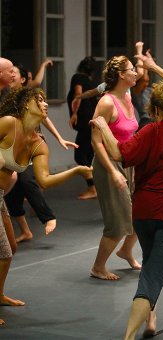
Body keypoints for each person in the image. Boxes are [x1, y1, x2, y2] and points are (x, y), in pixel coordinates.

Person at [90, 49, 163, 340]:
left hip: (146, 212)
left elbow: (116, 152)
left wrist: (102, 126)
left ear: (155, 108)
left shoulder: (149, 132)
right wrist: (156, 67)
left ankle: (151, 320)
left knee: (151, 265)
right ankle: (129, 336)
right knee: (152, 275)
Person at [0, 86, 92, 324]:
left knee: (10, 247)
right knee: (4, 252)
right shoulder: (9, 123)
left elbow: (45, 181)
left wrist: (78, 170)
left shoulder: (38, 143)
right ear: (25, 104)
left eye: (45, 100)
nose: (46, 104)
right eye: (38, 100)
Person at [5, 64, 78, 242]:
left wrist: (59, 138)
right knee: (13, 191)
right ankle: (26, 230)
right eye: (10, 72)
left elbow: (44, 117)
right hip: (11, 148)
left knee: (27, 181)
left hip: (28, 146)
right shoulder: (6, 98)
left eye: (14, 72)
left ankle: (46, 216)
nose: (12, 75)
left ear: (23, 79)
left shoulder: (29, 97)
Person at [90, 56, 141, 280]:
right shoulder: (107, 103)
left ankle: (126, 250)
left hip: (129, 162)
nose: (136, 73)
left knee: (143, 212)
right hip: (109, 165)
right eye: (132, 69)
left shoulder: (128, 96)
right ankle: (98, 267)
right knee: (119, 222)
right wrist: (112, 171)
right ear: (121, 74)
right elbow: (96, 141)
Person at [67, 56, 98, 199]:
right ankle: (95, 187)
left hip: (86, 122)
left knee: (80, 156)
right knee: (89, 156)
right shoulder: (89, 82)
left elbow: (78, 93)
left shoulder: (78, 77)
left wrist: (74, 113)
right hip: (92, 121)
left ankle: (93, 188)